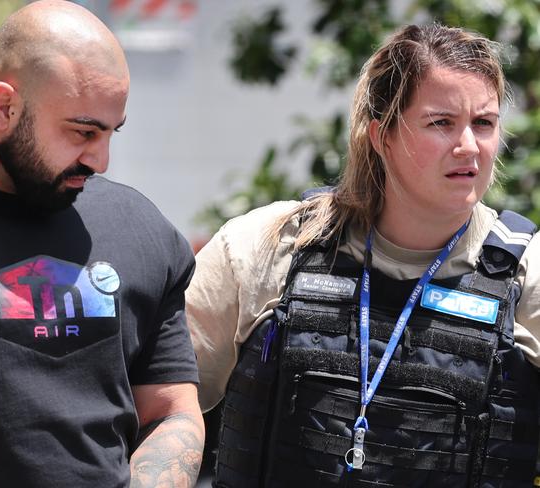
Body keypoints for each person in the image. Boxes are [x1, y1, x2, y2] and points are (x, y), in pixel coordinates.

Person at [187, 23, 540, 487]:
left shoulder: (527, 274)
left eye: (484, 123)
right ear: (382, 136)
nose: (469, 147)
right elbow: (162, 405)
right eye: (441, 123)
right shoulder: (269, 245)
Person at [0, 1, 204, 487]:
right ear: (4, 107)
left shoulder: (140, 228)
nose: (100, 160)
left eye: (111, 132)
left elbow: (170, 410)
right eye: (84, 132)